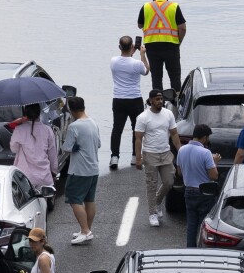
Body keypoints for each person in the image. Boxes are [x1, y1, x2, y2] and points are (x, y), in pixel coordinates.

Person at [134, 89, 178, 227]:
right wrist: (139, 158)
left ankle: (157, 201)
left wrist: (181, 151)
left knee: (169, 181)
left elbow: (174, 134)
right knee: (151, 184)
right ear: (151, 100)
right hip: (150, 154)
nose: (160, 101)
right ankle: (152, 213)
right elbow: (138, 139)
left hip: (165, 153)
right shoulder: (143, 117)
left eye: (162, 99)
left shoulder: (168, 114)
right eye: (157, 99)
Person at [62, 96, 101, 246]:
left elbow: (66, 147)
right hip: (93, 169)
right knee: (89, 200)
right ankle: (86, 230)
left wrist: (73, 147)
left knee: (74, 199)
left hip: (79, 170)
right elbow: (98, 144)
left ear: (71, 110)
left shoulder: (74, 126)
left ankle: (85, 231)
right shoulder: (93, 122)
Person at [109, 36, 148, 169]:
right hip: (135, 99)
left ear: (119, 47)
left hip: (118, 99)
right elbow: (146, 70)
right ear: (132, 46)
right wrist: (142, 54)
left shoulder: (113, 61)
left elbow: (125, 59)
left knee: (117, 128)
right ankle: (134, 156)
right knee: (136, 128)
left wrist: (132, 52)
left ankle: (114, 157)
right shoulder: (137, 64)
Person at [139, 0, 185, 94]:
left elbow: (140, 25)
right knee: (174, 76)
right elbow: (182, 28)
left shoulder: (146, 7)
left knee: (156, 77)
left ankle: (157, 103)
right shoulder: (174, 7)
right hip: (171, 45)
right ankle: (176, 102)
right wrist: (178, 41)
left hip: (152, 46)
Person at [178, 125, 220, 247]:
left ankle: (190, 249)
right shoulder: (206, 153)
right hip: (204, 193)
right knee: (204, 225)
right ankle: (202, 250)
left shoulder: (182, 150)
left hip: (188, 191)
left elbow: (179, 172)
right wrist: (215, 163)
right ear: (205, 137)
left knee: (191, 224)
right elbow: (214, 176)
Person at [11, 103, 58, 197]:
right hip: (43, 176)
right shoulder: (47, 130)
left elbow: (14, 149)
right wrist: (54, 171)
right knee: (43, 204)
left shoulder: (19, 129)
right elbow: (52, 153)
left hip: (24, 176)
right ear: (39, 113)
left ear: (25, 114)